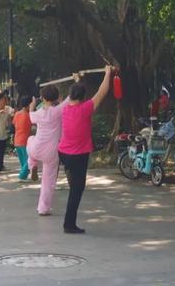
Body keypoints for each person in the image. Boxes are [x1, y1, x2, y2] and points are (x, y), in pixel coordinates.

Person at [57, 65, 113, 234]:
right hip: (77, 155)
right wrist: (108, 73)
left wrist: (77, 81)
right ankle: (69, 224)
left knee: (74, 185)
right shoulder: (85, 108)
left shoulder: (65, 108)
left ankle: (69, 222)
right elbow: (102, 91)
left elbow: (72, 95)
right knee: (76, 190)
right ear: (83, 97)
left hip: (64, 154)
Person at [27, 86, 70, 215]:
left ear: (43, 98)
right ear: (56, 98)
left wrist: (32, 105)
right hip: (51, 152)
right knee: (48, 181)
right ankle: (43, 209)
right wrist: (77, 80)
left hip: (36, 148)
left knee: (30, 139)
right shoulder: (58, 111)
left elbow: (30, 115)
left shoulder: (38, 113)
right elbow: (69, 99)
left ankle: (32, 164)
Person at [12, 96, 33, 181]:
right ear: (29, 105)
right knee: (28, 159)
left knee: (23, 160)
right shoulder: (28, 115)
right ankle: (22, 175)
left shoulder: (17, 114)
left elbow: (14, 123)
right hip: (24, 140)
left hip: (17, 139)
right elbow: (33, 125)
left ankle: (25, 174)